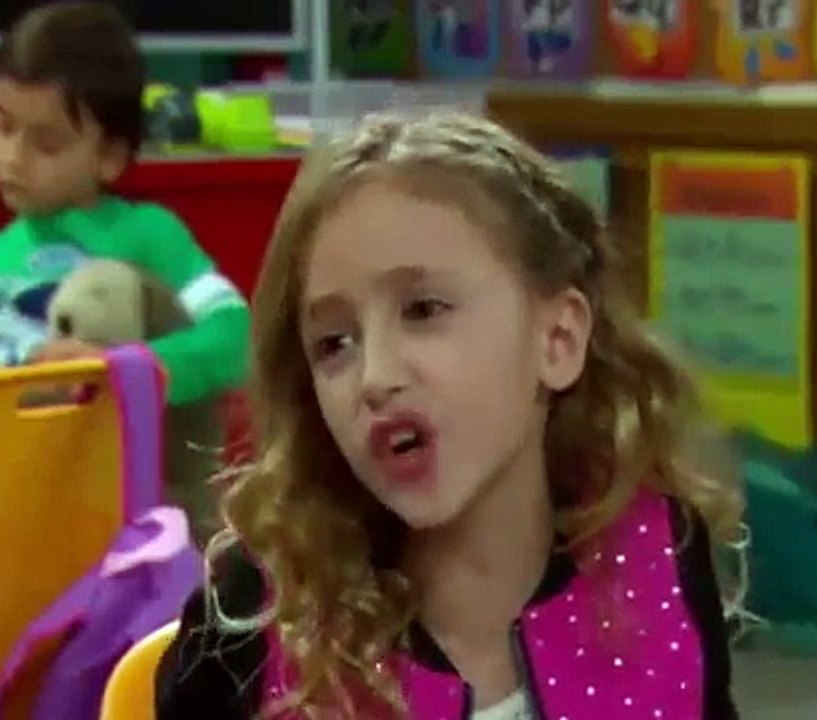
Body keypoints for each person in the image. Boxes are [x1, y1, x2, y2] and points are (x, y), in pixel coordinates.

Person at [155, 111, 744, 719]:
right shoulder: (256, 614)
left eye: (423, 310)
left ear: (557, 339)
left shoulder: (657, 557)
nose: (375, 377)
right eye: (334, 344)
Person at [0, 1, 250, 413]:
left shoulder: (149, 234)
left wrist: (122, 368)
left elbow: (234, 335)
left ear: (110, 156)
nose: (13, 157)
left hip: (106, 450)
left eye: (47, 144)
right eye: (3, 126)